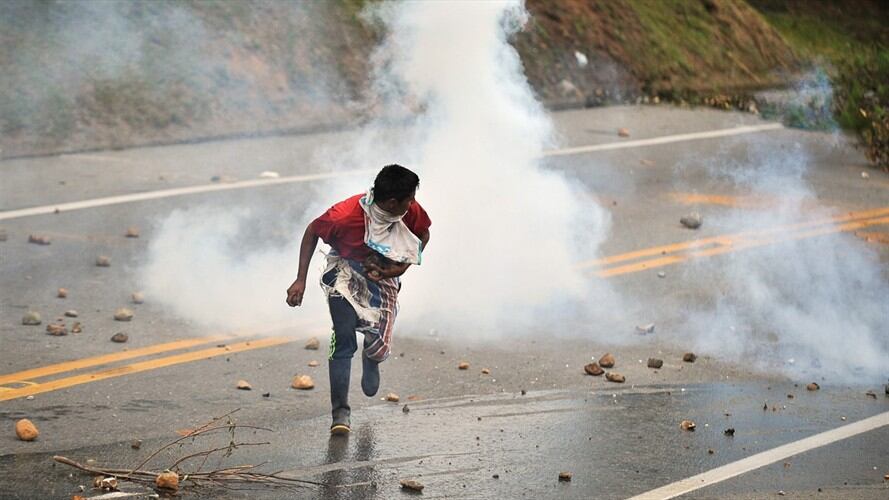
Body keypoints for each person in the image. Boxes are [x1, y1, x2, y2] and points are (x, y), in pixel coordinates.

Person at [286, 164, 431, 435]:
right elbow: (312, 231)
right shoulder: (344, 216)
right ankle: (340, 412)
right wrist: (300, 279)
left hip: (384, 278)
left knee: (378, 346)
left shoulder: (410, 211)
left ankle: (372, 357)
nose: (412, 203)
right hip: (344, 272)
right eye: (409, 199)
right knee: (343, 338)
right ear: (390, 202)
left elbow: (423, 235)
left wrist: (399, 269)